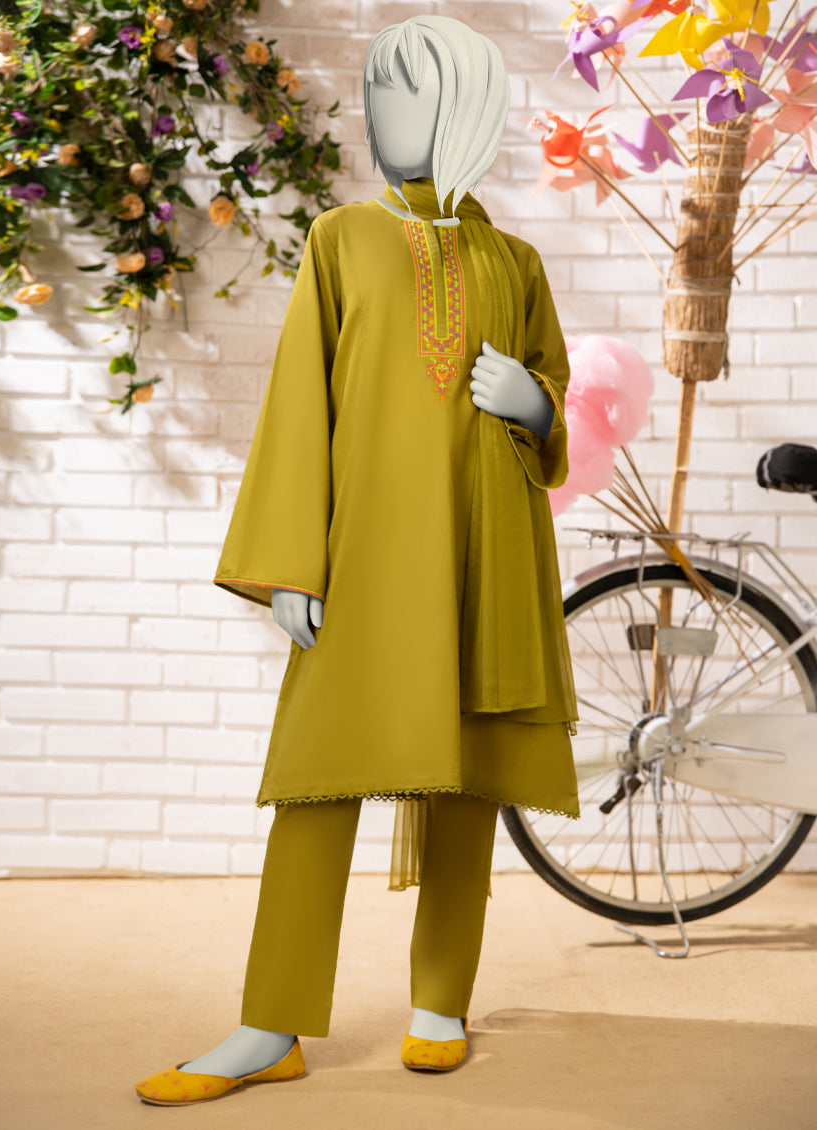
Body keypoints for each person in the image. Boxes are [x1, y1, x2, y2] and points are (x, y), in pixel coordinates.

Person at [135, 13, 579, 1107]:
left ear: (463, 111)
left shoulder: (516, 261)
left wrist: (535, 406)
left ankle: (441, 1004)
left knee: (469, 773)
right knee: (317, 779)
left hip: (485, 546)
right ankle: (269, 1024)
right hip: (367, 552)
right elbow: (302, 401)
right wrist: (295, 561)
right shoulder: (341, 240)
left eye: (405, 95)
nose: (380, 116)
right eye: (376, 95)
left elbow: (549, 396)